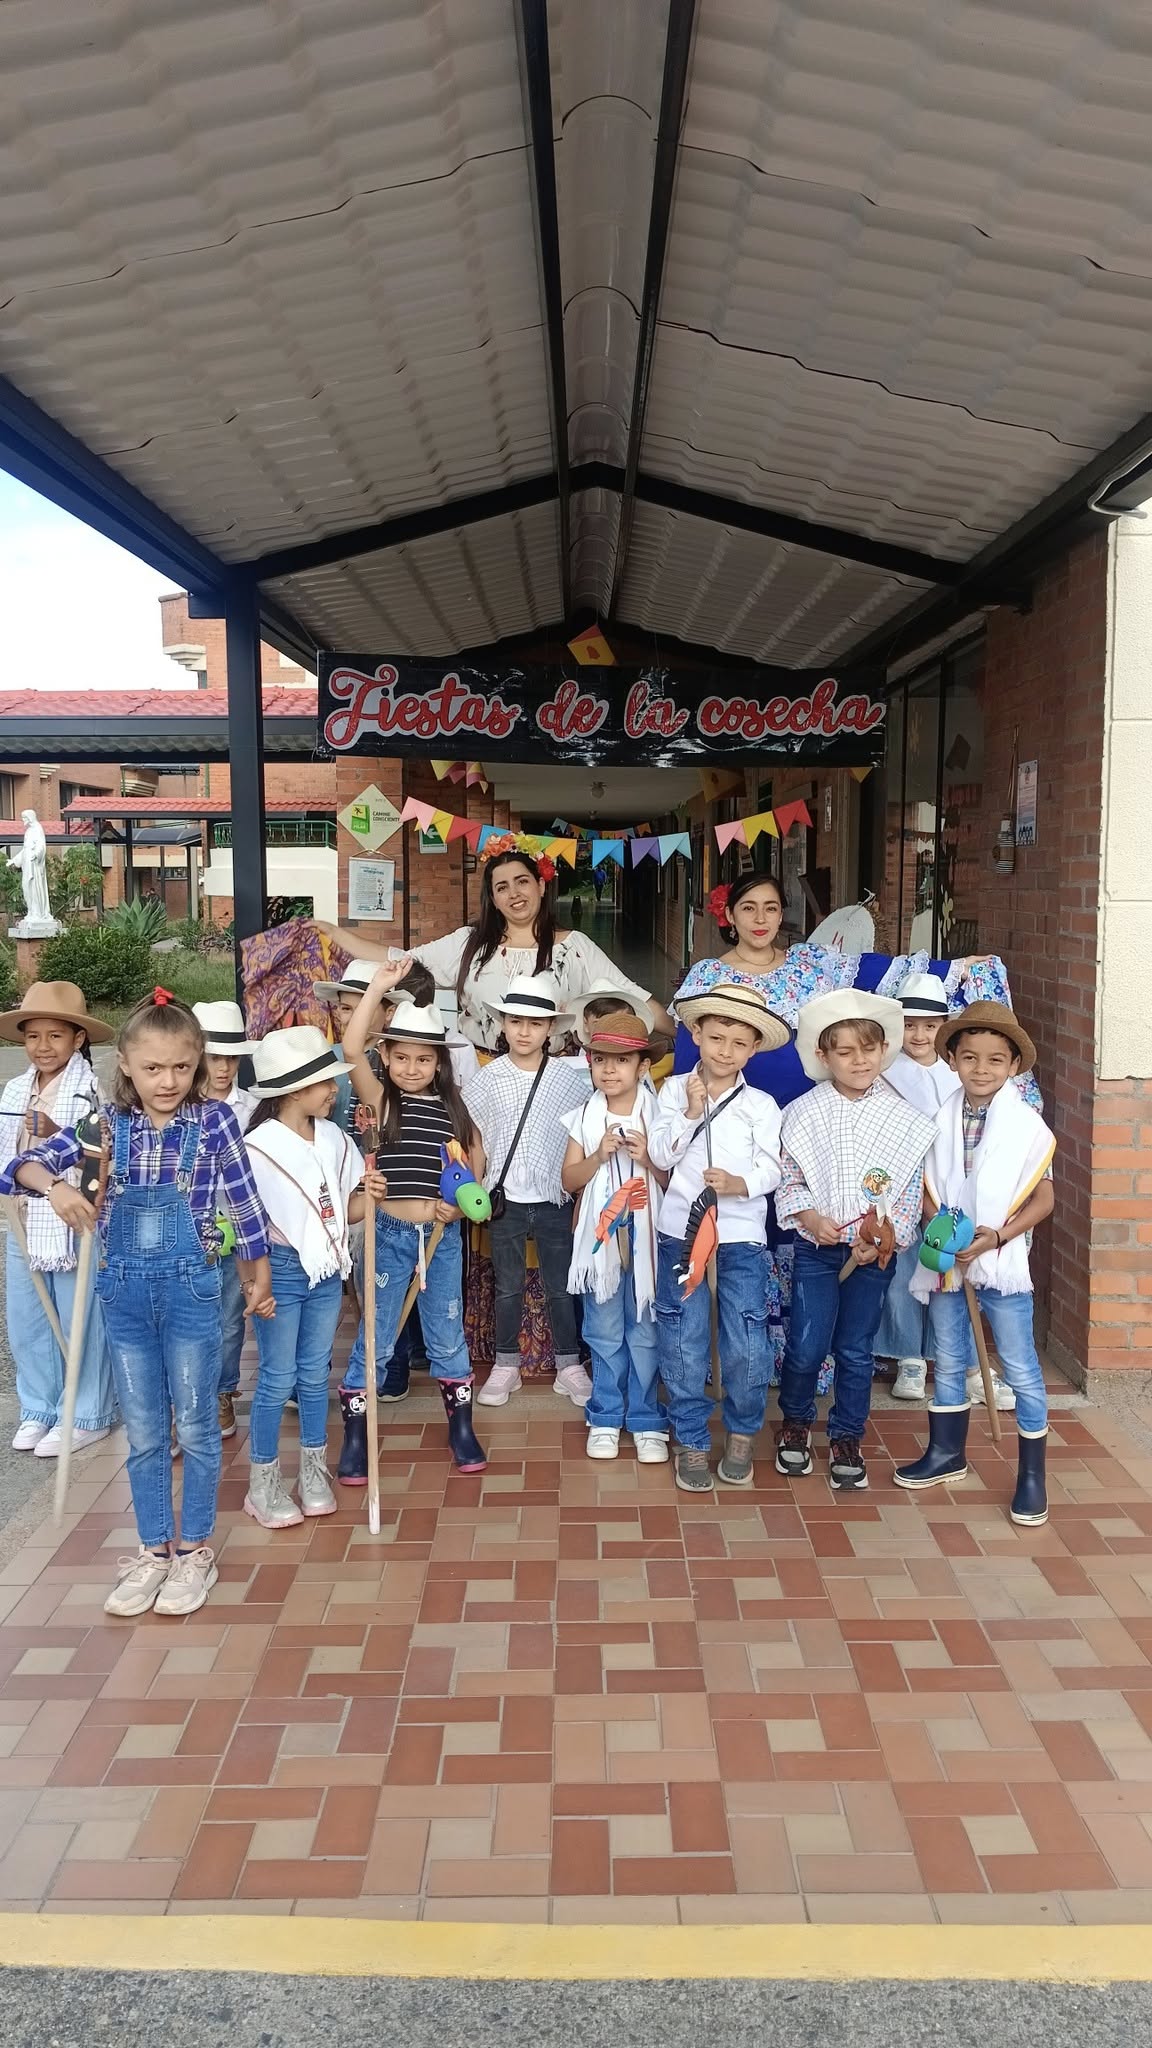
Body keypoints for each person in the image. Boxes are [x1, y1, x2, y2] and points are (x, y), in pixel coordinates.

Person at [0, 990, 274, 1619]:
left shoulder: (215, 1122)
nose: (167, 1081)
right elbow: (23, 1166)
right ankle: (154, 1549)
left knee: (197, 1424)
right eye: (152, 1068)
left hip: (192, 1291)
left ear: (197, 1062)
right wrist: (58, 1187)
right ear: (125, 1064)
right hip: (123, 1296)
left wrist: (256, 1275)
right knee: (146, 1429)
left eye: (180, 1066)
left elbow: (245, 1203)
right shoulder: (104, 1127)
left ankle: (195, 1549)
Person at [894, 1001, 1055, 1527]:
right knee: (948, 1355)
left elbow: (1043, 1198)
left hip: (1000, 1258)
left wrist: (996, 1236)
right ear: (953, 1060)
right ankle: (947, 1453)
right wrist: (942, 1226)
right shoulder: (937, 1120)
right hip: (949, 1259)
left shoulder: (1027, 1126)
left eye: (994, 1060)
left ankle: (1032, 1475)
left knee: (1020, 1364)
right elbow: (925, 1185)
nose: (981, 1069)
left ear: (1013, 1066)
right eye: (969, 1057)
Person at [775, 992, 937, 1493]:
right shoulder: (803, 1113)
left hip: (872, 1257)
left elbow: (907, 1192)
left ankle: (847, 1435)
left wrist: (886, 1238)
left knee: (855, 1349)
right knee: (806, 1345)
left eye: (869, 1049)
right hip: (817, 1250)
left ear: (884, 1050)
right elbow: (789, 1178)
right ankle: (796, 1422)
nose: (859, 1060)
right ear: (823, 1056)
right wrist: (809, 1216)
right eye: (845, 1051)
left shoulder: (903, 1117)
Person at [336, 979, 488, 1477]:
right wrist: (378, 989)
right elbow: (351, 1048)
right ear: (385, 1057)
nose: (412, 1067)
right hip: (388, 1236)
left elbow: (475, 1171)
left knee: (447, 1332)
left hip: (441, 1240)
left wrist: (459, 1210)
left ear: (439, 1062)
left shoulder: (454, 1111)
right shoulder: (381, 1101)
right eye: (400, 1057)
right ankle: (356, 1435)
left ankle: (461, 1429)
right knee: (377, 1335)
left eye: (423, 1059)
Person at [317, 844, 671, 1050]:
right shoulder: (469, 944)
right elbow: (399, 961)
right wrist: (334, 932)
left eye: (522, 882)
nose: (514, 893)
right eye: (502, 887)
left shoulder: (575, 947)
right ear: (494, 899)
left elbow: (632, 996)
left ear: (541, 886)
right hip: (478, 1071)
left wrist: (688, 1036)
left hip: (553, 1078)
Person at [648, 984, 790, 1494]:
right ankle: (690, 1437)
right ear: (696, 1035)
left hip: (740, 1236)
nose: (725, 1051)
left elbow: (773, 1168)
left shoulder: (762, 1105)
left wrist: (739, 1183)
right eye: (716, 1038)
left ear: (754, 1049)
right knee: (683, 1338)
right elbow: (660, 1156)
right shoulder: (672, 1091)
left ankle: (743, 1432)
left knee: (746, 1339)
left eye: (738, 1042)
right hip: (681, 1234)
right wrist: (690, 1112)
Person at [243, 1027, 378, 1527]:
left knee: (316, 1373)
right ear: (295, 1090)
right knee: (277, 1377)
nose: (334, 1091)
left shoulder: (335, 1138)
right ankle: (263, 1483)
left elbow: (345, 1212)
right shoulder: (258, 1148)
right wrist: (252, 1283)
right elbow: (245, 1227)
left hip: (325, 1271)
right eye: (325, 1083)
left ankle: (314, 1473)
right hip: (278, 1269)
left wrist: (370, 1196)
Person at [463, 974, 594, 1408]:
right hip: (505, 1197)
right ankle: (506, 1364)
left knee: (561, 1284)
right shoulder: (487, 1079)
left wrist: (580, 1195)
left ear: (550, 1028)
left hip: (555, 1196)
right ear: (503, 1023)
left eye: (535, 1023)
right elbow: (478, 1140)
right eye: (516, 1021)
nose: (524, 1031)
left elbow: (579, 1139)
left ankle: (569, 1364)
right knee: (508, 1285)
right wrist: (475, 1191)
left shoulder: (569, 1081)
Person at [0, 982, 117, 1456]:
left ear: (78, 1038)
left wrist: (52, 1131)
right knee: (28, 1319)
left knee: (79, 1317)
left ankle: (87, 1413)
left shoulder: (90, 1090)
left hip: (73, 1220)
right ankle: (40, 1408)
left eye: (55, 1036)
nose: (42, 1047)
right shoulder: (14, 1088)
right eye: (33, 1036)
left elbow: (97, 1151)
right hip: (22, 1216)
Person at [561, 1015, 668, 1464]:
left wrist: (650, 1159)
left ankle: (645, 1417)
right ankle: (605, 1414)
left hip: (648, 1234)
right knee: (603, 1327)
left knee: (644, 1326)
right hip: (600, 1238)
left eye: (622, 1060)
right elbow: (569, 1180)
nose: (609, 1069)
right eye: (601, 1059)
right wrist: (598, 1155)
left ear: (643, 1066)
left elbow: (676, 1183)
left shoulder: (660, 1117)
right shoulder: (583, 1118)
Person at [193, 1000, 259, 1440]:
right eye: (214, 1057)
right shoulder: (181, 1106)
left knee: (231, 1315)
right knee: (188, 1314)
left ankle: (222, 1392)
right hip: (190, 1223)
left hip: (235, 1222)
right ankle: (187, 1398)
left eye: (231, 1058)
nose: (223, 1067)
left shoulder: (252, 1107)